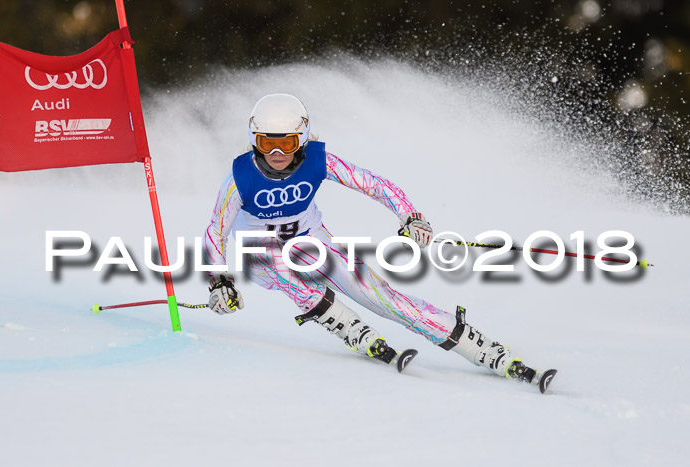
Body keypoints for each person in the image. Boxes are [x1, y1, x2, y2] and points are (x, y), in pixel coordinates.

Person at [204, 93, 541, 384]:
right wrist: (219, 281)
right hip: (260, 255)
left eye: (287, 142)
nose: (277, 152)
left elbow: (374, 184)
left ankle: (479, 348)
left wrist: (410, 216)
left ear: (303, 138)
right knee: (281, 268)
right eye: (267, 142)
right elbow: (215, 232)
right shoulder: (239, 179)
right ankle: (349, 326)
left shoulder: (319, 162)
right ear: (254, 139)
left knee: (380, 295)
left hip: (311, 241)